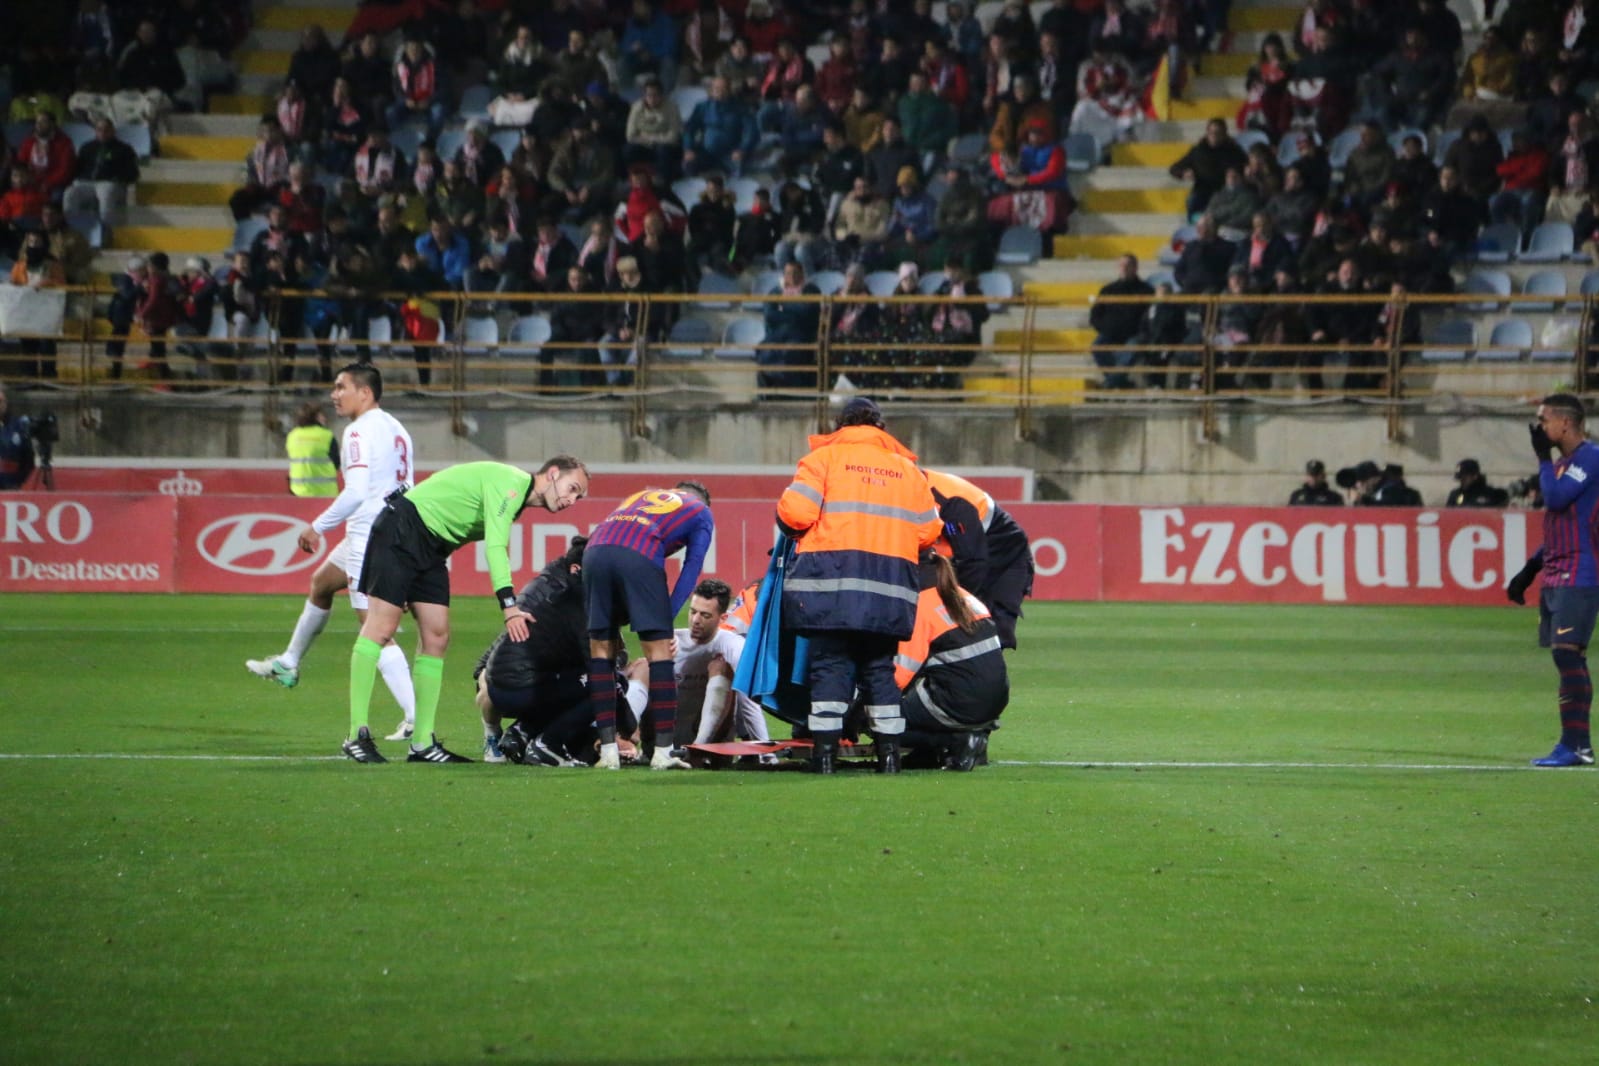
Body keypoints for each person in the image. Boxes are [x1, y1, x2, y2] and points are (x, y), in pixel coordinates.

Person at [341, 456, 591, 764]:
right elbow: (496, 547)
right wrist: (509, 606)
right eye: (572, 488)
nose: (572, 499)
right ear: (552, 474)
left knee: (436, 637)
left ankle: (421, 743)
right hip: (402, 529)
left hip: (432, 546)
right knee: (381, 628)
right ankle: (356, 735)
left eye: (578, 496)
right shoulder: (511, 485)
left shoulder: (515, 498)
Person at [250, 364, 422, 736]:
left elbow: (357, 491)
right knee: (322, 583)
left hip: (369, 534)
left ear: (365, 392)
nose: (333, 394)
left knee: (375, 629)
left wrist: (317, 526)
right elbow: (406, 483)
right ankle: (289, 661)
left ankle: (414, 717)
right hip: (390, 527)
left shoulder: (358, 431)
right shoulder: (397, 428)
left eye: (341, 387)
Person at [776, 397, 942, 773]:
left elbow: (796, 513)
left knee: (831, 666)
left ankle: (825, 757)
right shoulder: (909, 471)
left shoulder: (822, 461)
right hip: (890, 588)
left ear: (841, 425)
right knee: (879, 668)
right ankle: (888, 757)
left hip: (831, 585)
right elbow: (929, 530)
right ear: (880, 427)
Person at [582, 482, 715, 771]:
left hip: (594, 551)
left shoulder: (638, 494)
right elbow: (691, 568)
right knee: (659, 655)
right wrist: (665, 620)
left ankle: (608, 752)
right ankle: (663, 753)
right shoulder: (702, 512)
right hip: (638, 553)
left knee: (601, 651)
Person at [1506, 394, 1599, 767]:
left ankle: (1576, 745)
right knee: (1565, 657)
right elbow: (1560, 526)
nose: (1539, 428)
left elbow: (1557, 500)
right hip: (1558, 571)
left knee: (1567, 653)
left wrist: (1542, 459)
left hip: (1581, 572)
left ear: (1565, 423)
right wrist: (1529, 570)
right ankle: (1576, 744)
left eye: (1543, 420)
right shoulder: (1564, 466)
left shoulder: (1590, 458)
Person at [474, 535, 593, 766]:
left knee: (573, 680)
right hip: (520, 681)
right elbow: (515, 634)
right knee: (596, 683)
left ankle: (519, 733)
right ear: (577, 569)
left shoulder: (556, 586)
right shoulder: (558, 594)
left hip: (524, 675)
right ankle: (529, 739)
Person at [622, 578, 773, 749]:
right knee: (643, 666)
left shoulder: (732, 644)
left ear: (722, 618)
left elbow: (748, 700)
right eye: (693, 612)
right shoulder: (671, 640)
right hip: (663, 739)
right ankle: (622, 738)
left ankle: (699, 748)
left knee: (722, 666)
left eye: (705, 615)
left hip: (713, 746)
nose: (696, 620)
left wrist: (766, 753)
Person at [896, 552, 1009, 771]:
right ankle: (961, 742)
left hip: (960, 703)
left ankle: (954, 742)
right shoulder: (966, 597)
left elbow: (900, 675)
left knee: (883, 719)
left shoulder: (920, 606)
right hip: (995, 701)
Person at [921, 468, 1033, 649]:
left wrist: (957, 604)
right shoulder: (913, 491)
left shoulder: (948, 502)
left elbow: (973, 561)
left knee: (992, 633)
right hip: (960, 558)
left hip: (1004, 559)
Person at [1090, 253, 1155, 389]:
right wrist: (1106, 328)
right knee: (1097, 346)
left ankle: (1110, 384)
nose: (1124, 268)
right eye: (1121, 265)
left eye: (1128, 265)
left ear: (1135, 268)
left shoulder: (1146, 291)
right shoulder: (1108, 290)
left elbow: (1151, 317)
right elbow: (1095, 316)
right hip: (1110, 334)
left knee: (1133, 347)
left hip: (1134, 335)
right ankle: (1120, 382)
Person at [286, 400, 339, 497]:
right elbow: (337, 463)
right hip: (325, 494)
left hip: (298, 493)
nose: (324, 418)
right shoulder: (326, 436)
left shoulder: (292, 435)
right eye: (322, 415)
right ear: (317, 417)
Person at [0, 384, 42, 491]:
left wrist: (18, 481)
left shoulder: (18, 426)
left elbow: (28, 459)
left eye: (1, 401)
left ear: (6, 403)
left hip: (10, 487)